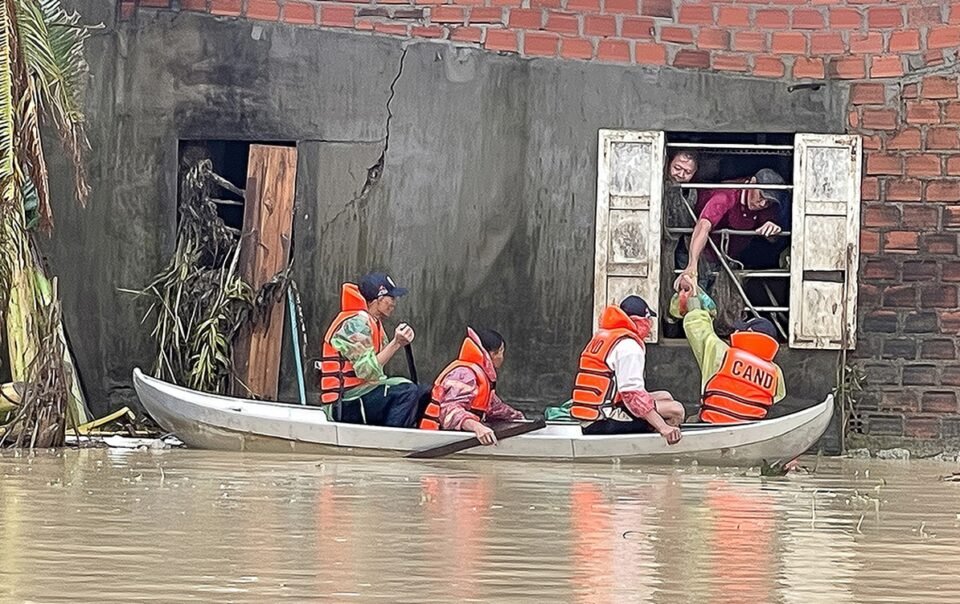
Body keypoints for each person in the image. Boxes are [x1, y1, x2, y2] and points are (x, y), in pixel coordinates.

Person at [570, 295, 684, 443]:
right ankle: (666, 439)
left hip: (591, 416)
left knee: (665, 396)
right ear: (639, 321)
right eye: (648, 319)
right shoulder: (629, 346)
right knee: (676, 410)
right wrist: (663, 426)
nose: (650, 325)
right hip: (602, 421)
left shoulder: (605, 336)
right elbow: (632, 396)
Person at [318, 272, 426, 427]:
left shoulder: (374, 322)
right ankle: (390, 441)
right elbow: (366, 370)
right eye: (392, 298)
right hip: (343, 404)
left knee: (422, 392)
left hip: (362, 394)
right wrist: (395, 343)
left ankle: (403, 437)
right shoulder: (355, 324)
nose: (394, 303)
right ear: (379, 299)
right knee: (407, 392)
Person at [676, 275, 786, 423]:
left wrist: (693, 298)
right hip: (746, 431)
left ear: (750, 334)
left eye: (741, 330)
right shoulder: (776, 373)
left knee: (687, 419)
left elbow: (697, 328)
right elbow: (777, 396)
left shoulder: (722, 354)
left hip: (711, 424)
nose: (735, 333)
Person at [673, 168, 788, 293]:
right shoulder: (726, 196)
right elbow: (703, 225)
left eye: (769, 202)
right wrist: (692, 265)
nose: (763, 203)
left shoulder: (765, 206)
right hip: (698, 253)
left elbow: (773, 238)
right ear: (752, 182)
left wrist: (773, 230)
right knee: (695, 297)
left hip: (729, 260)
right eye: (761, 195)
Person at [419, 327, 525, 445]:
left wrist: (519, 419)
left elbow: (494, 408)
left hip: (458, 435)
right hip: (437, 439)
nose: (502, 357)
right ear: (493, 354)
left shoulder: (481, 375)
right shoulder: (464, 374)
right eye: (501, 352)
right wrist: (477, 427)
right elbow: (449, 410)